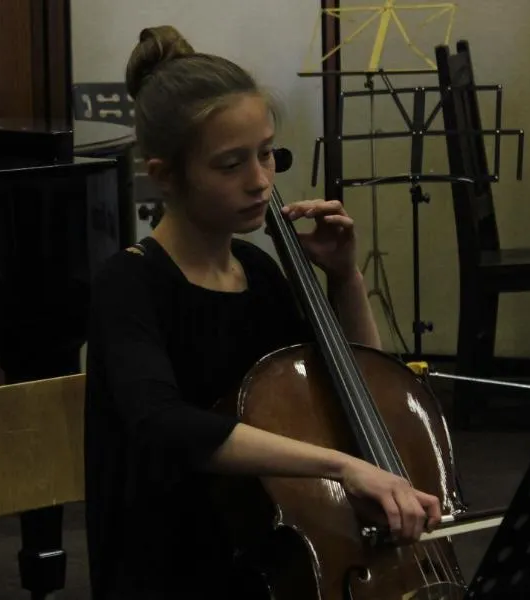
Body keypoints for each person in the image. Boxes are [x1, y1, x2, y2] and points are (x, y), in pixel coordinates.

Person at [82, 25, 442, 600]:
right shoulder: (129, 283)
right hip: (177, 564)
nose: (260, 181)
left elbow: (358, 385)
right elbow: (163, 423)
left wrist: (346, 278)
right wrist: (343, 467)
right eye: (230, 164)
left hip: (268, 546)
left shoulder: (259, 269)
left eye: (266, 153)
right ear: (165, 176)